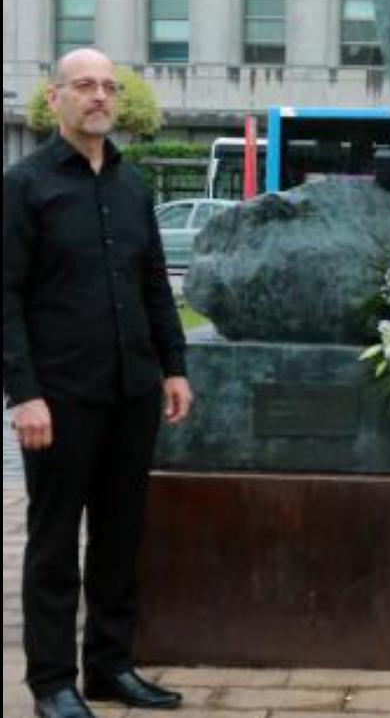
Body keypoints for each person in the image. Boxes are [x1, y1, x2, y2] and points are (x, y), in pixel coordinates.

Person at [3, 48, 192, 718]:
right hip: (58, 399)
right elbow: (7, 297)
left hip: (132, 392)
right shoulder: (24, 186)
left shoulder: (131, 185)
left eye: (109, 87)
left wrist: (174, 367)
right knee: (55, 543)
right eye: (84, 85)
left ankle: (110, 667)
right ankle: (53, 682)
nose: (99, 97)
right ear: (55, 98)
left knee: (120, 535)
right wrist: (22, 393)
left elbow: (153, 285)